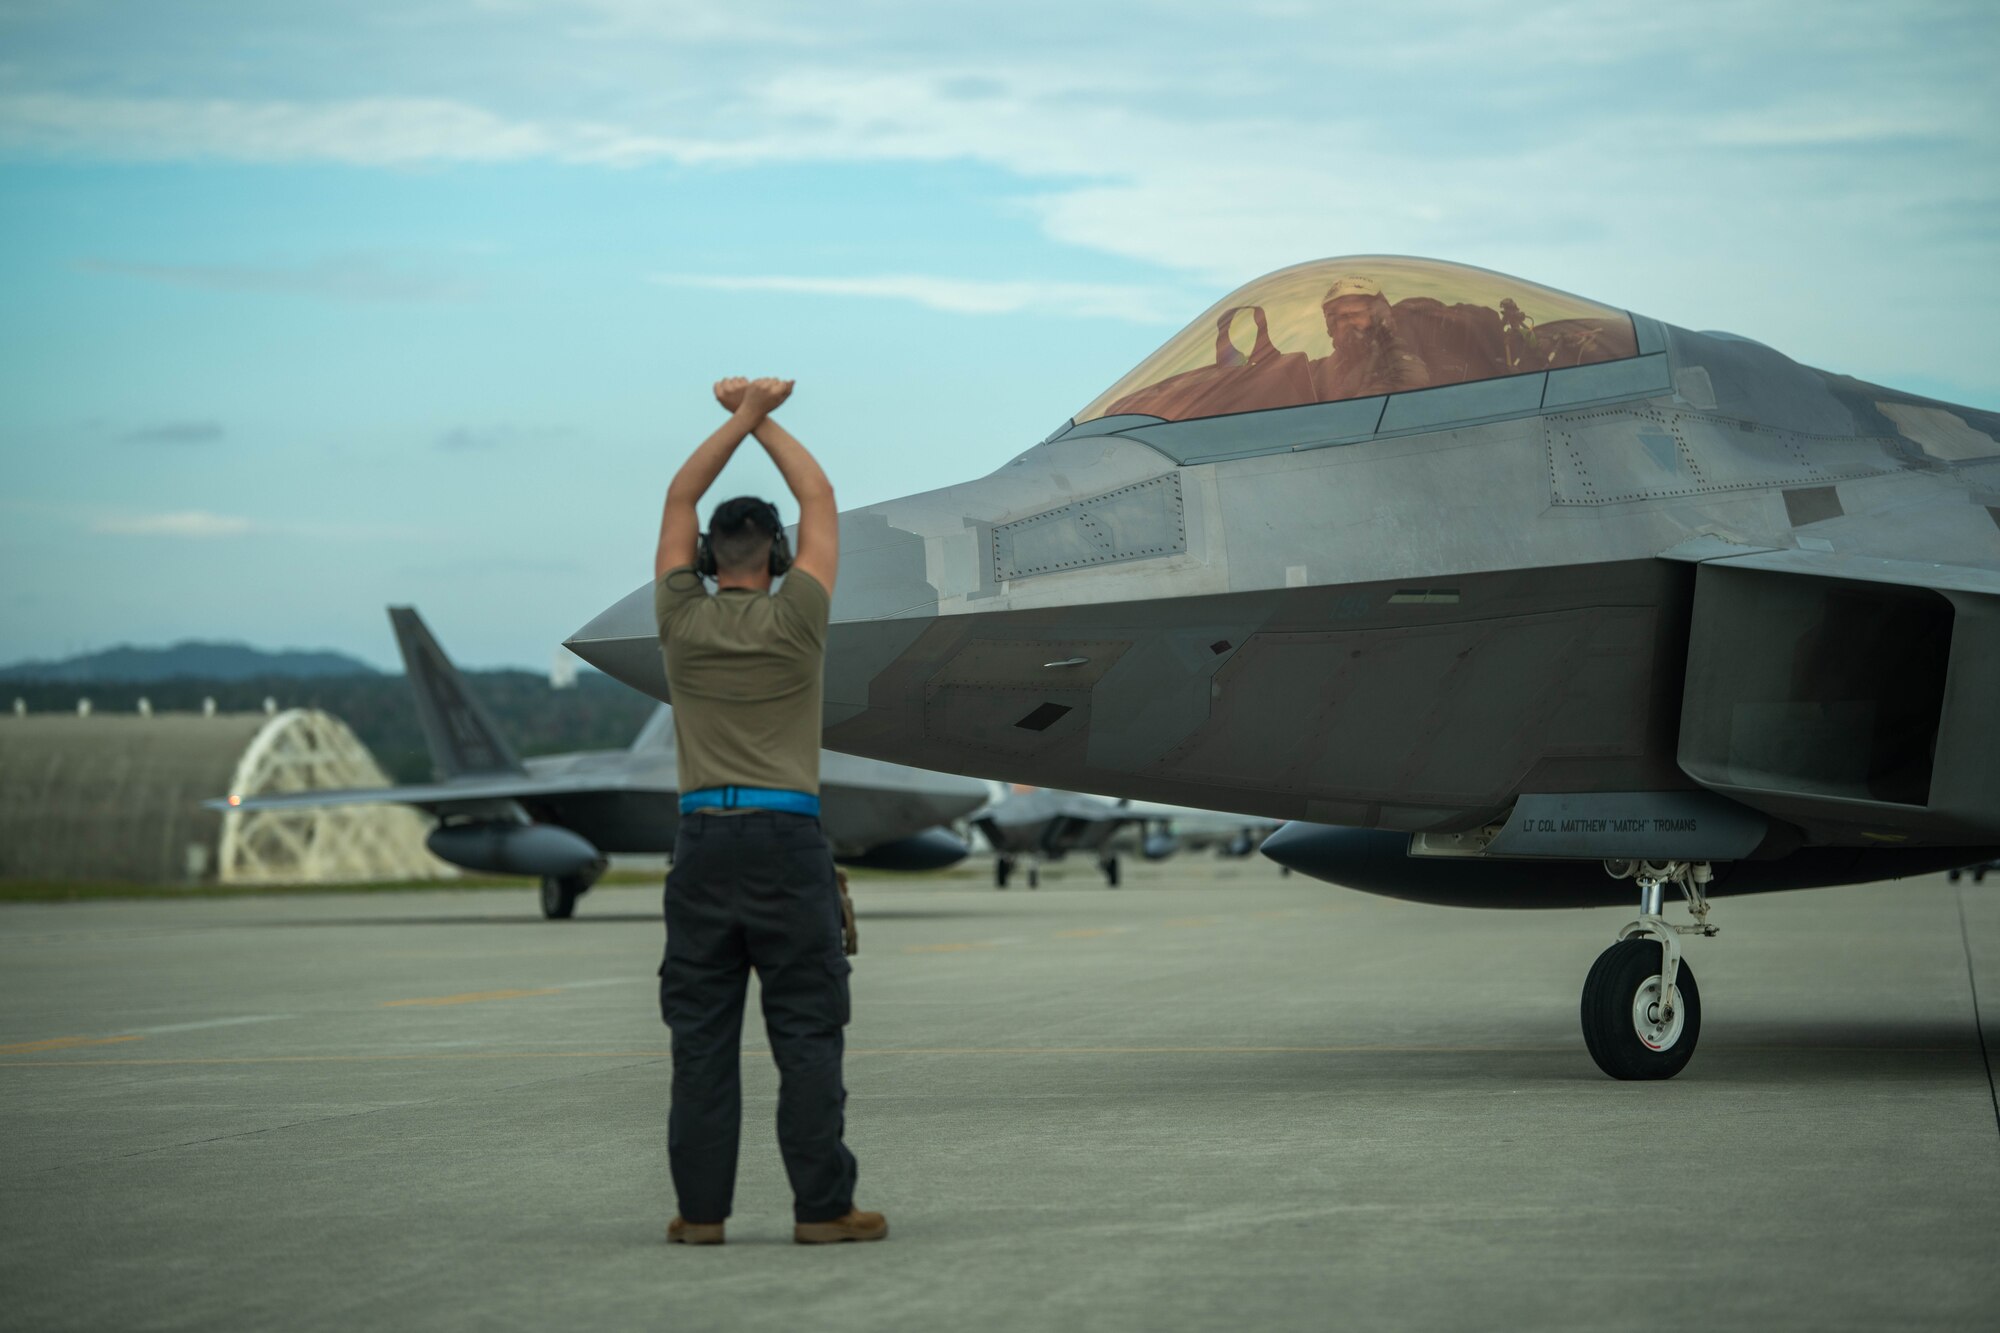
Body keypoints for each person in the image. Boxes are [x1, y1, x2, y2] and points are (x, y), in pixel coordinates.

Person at [651, 375, 886, 1247]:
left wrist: (736, 419)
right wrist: (767, 418)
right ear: (779, 557)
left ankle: (701, 1214)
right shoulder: (801, 619)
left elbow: (681, 493)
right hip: (789, 845)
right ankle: (822, 1209)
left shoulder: (679, 616)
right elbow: (818, 494)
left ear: (707, 560)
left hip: (701, 844)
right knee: (807, 1036)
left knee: (702, 1043)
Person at [1310, 275, 1432, 402]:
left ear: (1378, 317)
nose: (1350, 323)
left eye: (1356, 315)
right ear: (1332, 325)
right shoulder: (1333, 365)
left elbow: (1358, 412)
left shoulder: (1399, 365)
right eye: (1343, 317)